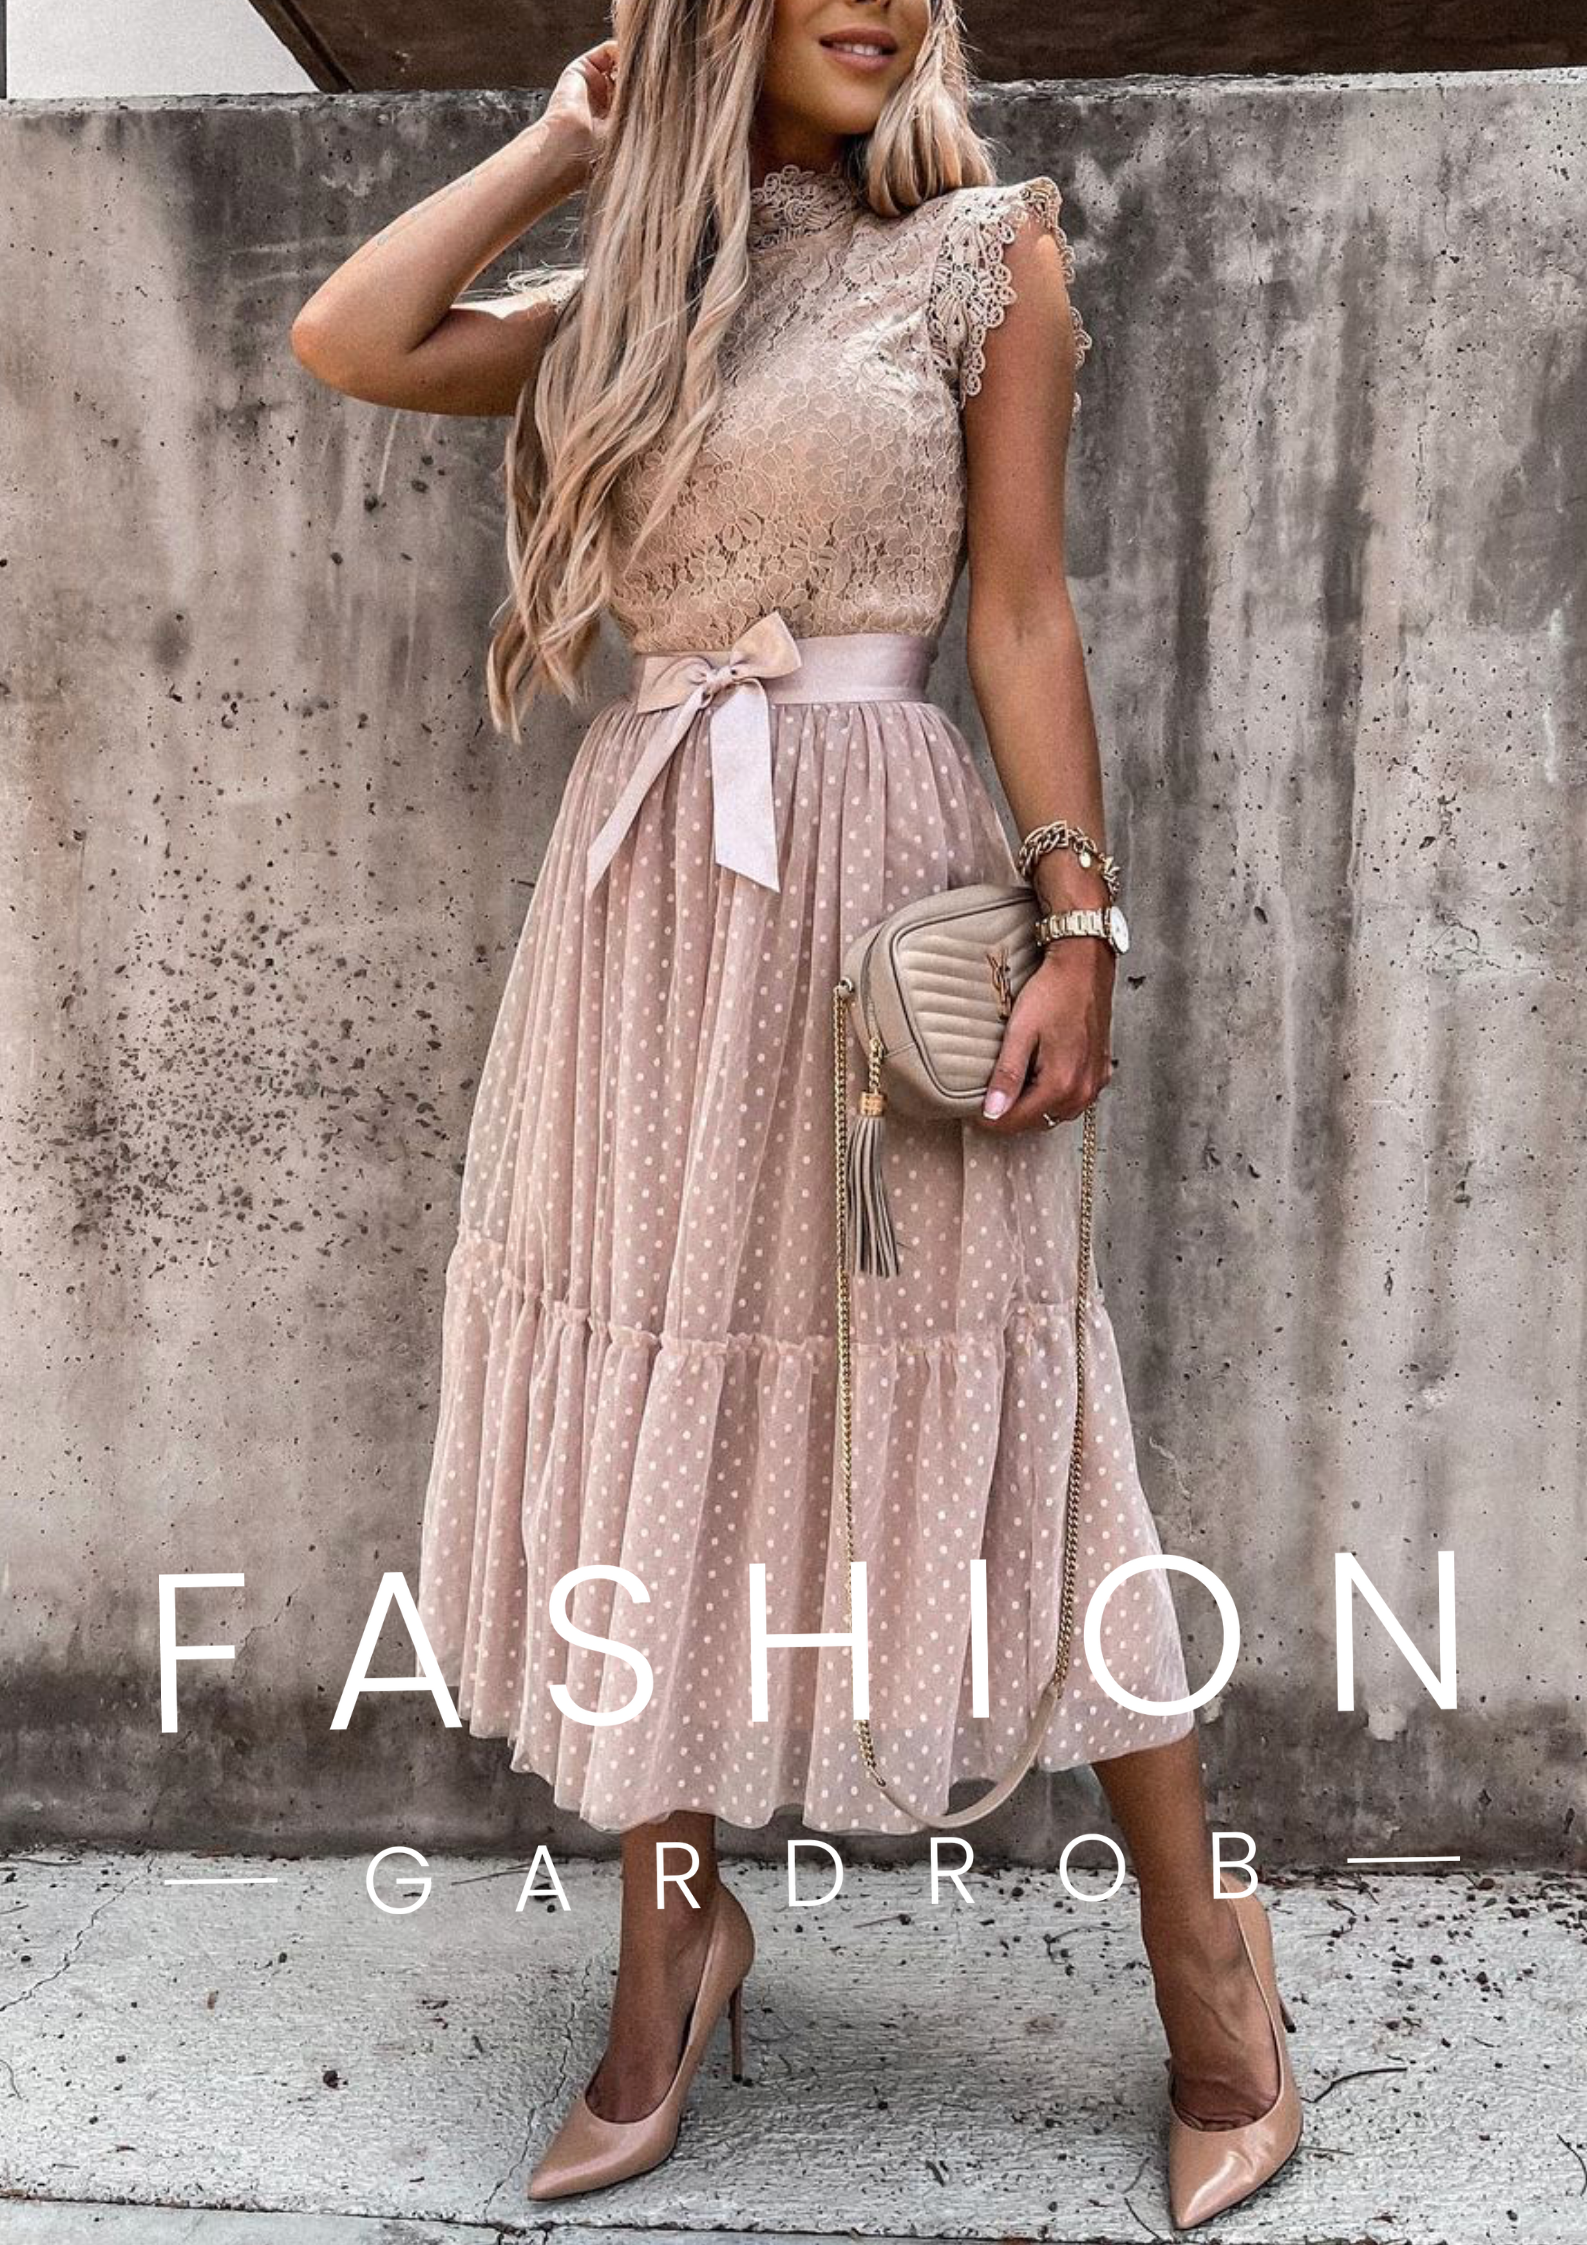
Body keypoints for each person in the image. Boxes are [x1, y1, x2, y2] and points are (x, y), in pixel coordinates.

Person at [290, 0, 1301, 2227]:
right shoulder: (638, 297)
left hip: (877, 892)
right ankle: (667, 1956)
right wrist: (567, 144)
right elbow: (352, 338)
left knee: (1018, 1408)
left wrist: (1079, 928)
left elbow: (1018, 612)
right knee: (666, 1389)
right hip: (650, 895)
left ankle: (1206, 1965)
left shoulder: (983, 257)